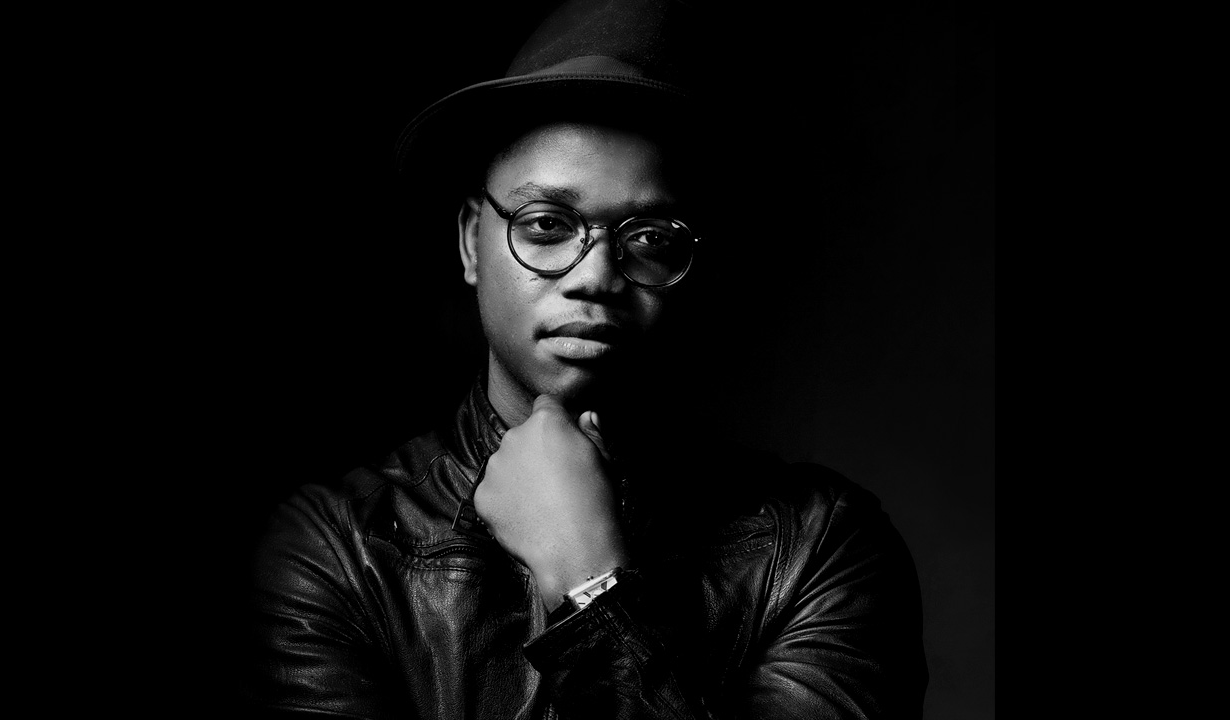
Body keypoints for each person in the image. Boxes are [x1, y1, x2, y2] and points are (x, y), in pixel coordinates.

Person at [243, 1, 928, 717]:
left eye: (650, 237)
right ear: (472, 241)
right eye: (546, 224)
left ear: (697, 266)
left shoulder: (818, 549)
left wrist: (591, 586)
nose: (595, 276)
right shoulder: (337, 549)